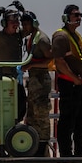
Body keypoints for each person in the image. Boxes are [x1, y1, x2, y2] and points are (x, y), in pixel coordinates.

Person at [50, 4, 82, 158]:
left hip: (80, 84)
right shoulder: (61, 36)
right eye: (75, 15)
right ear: (66, 18)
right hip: (69, 84)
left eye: (80, 15)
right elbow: (59, 61)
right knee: (68, 119)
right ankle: (66, 152)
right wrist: (74, 78)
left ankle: (81, 151)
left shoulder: (77, 36)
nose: (79, 18)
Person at [21, 11, 57, 154]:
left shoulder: (41, 39)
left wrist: (31, 66)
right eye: (23, 24)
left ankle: (42, 149)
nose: (24, 27)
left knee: (41, 115)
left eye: (27, 24)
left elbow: (50, 60)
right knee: (31, 116)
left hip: (41, 81)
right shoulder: (31, 38)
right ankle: (34, 148)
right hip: (34, 81)